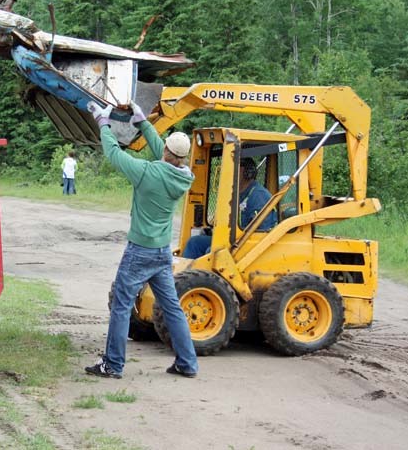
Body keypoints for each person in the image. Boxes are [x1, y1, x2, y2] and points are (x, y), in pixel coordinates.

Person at [84, 100, 198, 379]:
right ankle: (187, 363)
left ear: (168, 151)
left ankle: (112, 364)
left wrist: (103, 124)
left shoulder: (146, 173)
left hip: (139, 252)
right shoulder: (184, 176)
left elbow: (113, 154)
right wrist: (142, 121)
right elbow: (165, 154)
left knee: (121, 305)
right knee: (172, 308)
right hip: (161, 253)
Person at [182, 157, 277, 259]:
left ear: (247, 173)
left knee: (213, 252)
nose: (229, 172)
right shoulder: (236, 194)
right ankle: (188, 274)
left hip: (248, 245)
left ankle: (204, 275)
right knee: (195, 243)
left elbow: (262, 232)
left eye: (234, 168)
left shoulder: (259, 196)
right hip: (232, 240)